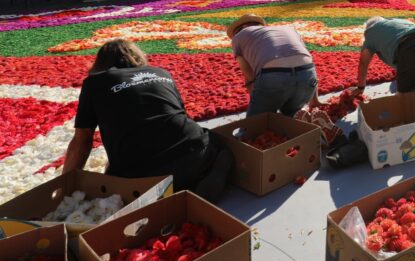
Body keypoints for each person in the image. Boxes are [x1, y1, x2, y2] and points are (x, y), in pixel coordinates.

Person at [63, 40, 233, 202]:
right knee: (208, 141)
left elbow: (82, 140)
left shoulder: (94, 83)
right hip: (196, 152)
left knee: (119, 179)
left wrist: (64, 186)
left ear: (100, 63)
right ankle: (202, 175)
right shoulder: (161, 73)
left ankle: (171, 190)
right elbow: (177, 115)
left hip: (141, 176)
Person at [227, 15, 320, 117]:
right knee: (292, 116)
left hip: (274, 76)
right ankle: (297, 116)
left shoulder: (239, 36)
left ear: (244, 27)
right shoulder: (288, 29)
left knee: (257, 123)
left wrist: (258, 101)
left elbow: (248, 74)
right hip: (307, 75)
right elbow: (308, 61)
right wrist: (314, 101)